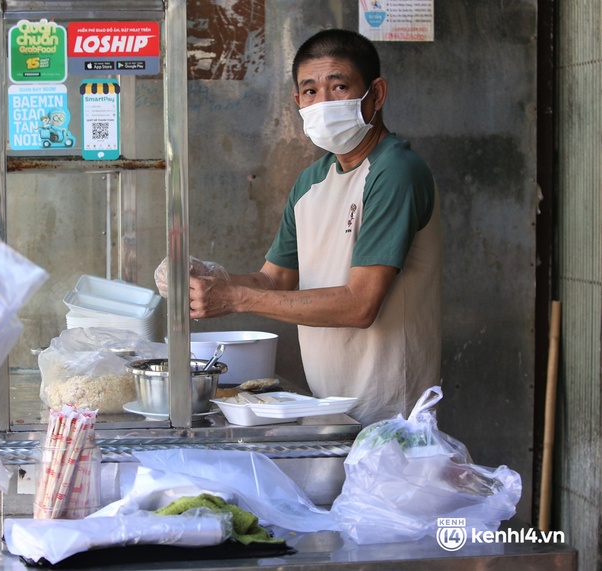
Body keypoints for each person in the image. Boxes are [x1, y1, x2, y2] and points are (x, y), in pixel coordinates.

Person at [155, 28, 442, 426]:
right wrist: (208, 280)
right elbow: (275, 281)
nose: (323, 103)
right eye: (310, 91)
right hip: (329, 406)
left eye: (339, 86)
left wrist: (235, 298)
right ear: (297, 102)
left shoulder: (395, 171)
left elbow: (361, 305)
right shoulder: (311, 181)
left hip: (391, 416)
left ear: (376, 94)